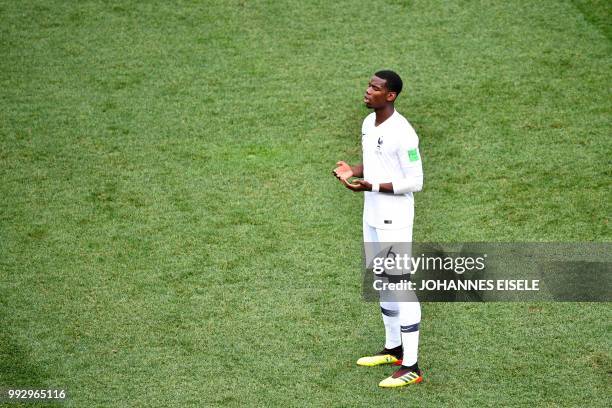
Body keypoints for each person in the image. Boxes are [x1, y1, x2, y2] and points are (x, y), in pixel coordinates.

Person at [333, 70, 424, 388]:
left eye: (375, 88)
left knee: (399, 284)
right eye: (368, 85)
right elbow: (375, 163)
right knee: (380, 278)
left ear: (391, 96)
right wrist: (353, 170)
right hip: (371, 212)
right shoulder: (368, 124)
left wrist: (370, 184)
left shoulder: (404, 133)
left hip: (394, 217)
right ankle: (393, 349)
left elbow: (415, 181)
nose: (367, 90)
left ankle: (411, 366)